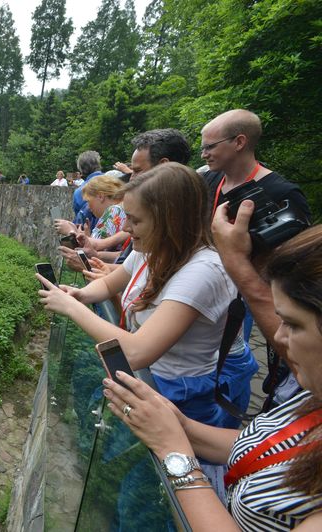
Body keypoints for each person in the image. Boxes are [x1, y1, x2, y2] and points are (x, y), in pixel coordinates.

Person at [103, 225, 322, 530]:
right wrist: (181, 425)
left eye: (294, 324)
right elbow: (265, 444)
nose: (278, 337)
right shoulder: (313, 393)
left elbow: (138, 351)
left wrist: (174, 452)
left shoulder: (202, 270)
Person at [38, 162, 257, 429]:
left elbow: (137, 352)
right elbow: (108, 284)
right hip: (150, 379)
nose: (126, 228)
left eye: (135, 220)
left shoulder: (202, 272)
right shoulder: (152, 249)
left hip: (179, 393)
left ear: (170, 220)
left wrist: (72, 308)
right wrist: (80, 294)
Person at [203, 109, 312, 406]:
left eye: (210, 146)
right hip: (207, 293)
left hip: (252, 301)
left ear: (239, 142)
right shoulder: (210, 181)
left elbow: (298, 272)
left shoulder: (282, 193)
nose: (203, 154)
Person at [61, 129, 193, 272]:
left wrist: (88, 263)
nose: (131, 178)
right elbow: (129, 264)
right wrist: (96, 254)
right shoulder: (171, 213)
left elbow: (136, 276)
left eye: (137, 170)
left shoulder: (165, 219)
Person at [81, 173, 126, 244]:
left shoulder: (114, 210)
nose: (88, 207)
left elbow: (96, 247)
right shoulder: (124, 207)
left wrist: (71, 231)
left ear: (100, 196)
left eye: (88, 201)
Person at [72, 151, 102, 229]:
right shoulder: (112, 181)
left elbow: (79, 221)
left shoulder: (79, 192)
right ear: (98, 164)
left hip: (90, 232)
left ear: (81, 169)